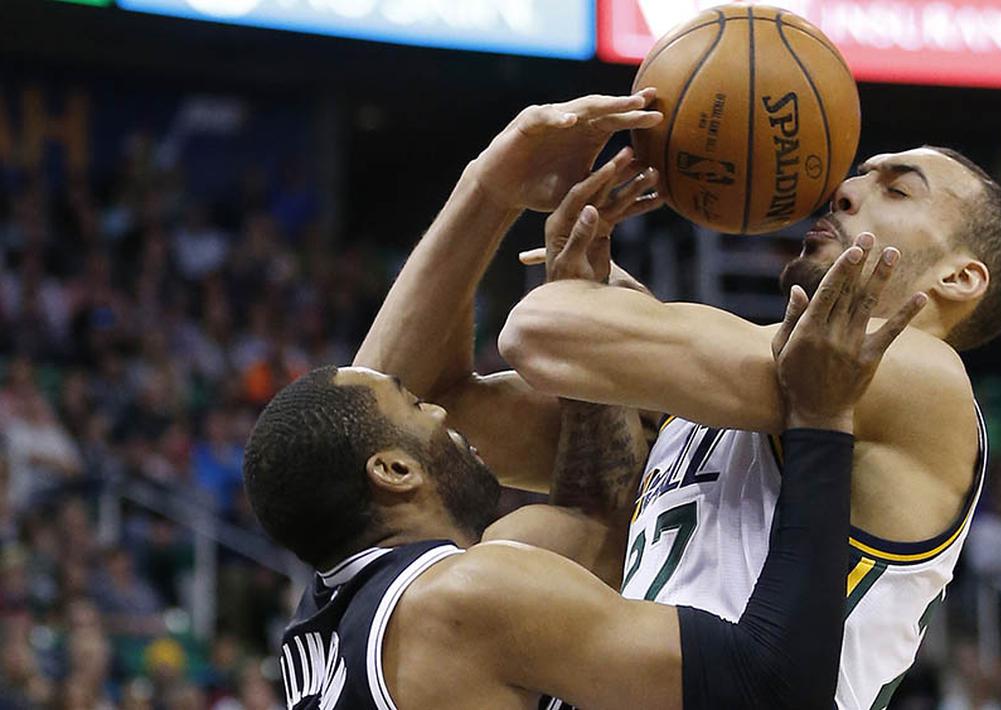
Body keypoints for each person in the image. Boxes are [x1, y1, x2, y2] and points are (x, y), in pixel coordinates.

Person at [242, 167, 926, 708]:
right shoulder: (467, 597)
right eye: (418, 407)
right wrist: (820, 419)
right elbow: (774, 690)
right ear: (393, 471)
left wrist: (585, 328)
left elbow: (593, 518)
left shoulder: (329, 624)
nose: (444, 414)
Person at [500, 145, 1001, 708]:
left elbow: (538, 332)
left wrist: (585, 297)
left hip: (741, 691)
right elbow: (451, 403)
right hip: (645, 681)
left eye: (897, 190)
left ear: (959, 276)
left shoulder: (922, 372)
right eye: (860, 177)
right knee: (522, 545)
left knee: (488, 582)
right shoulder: (712, 401)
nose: (844, 191)